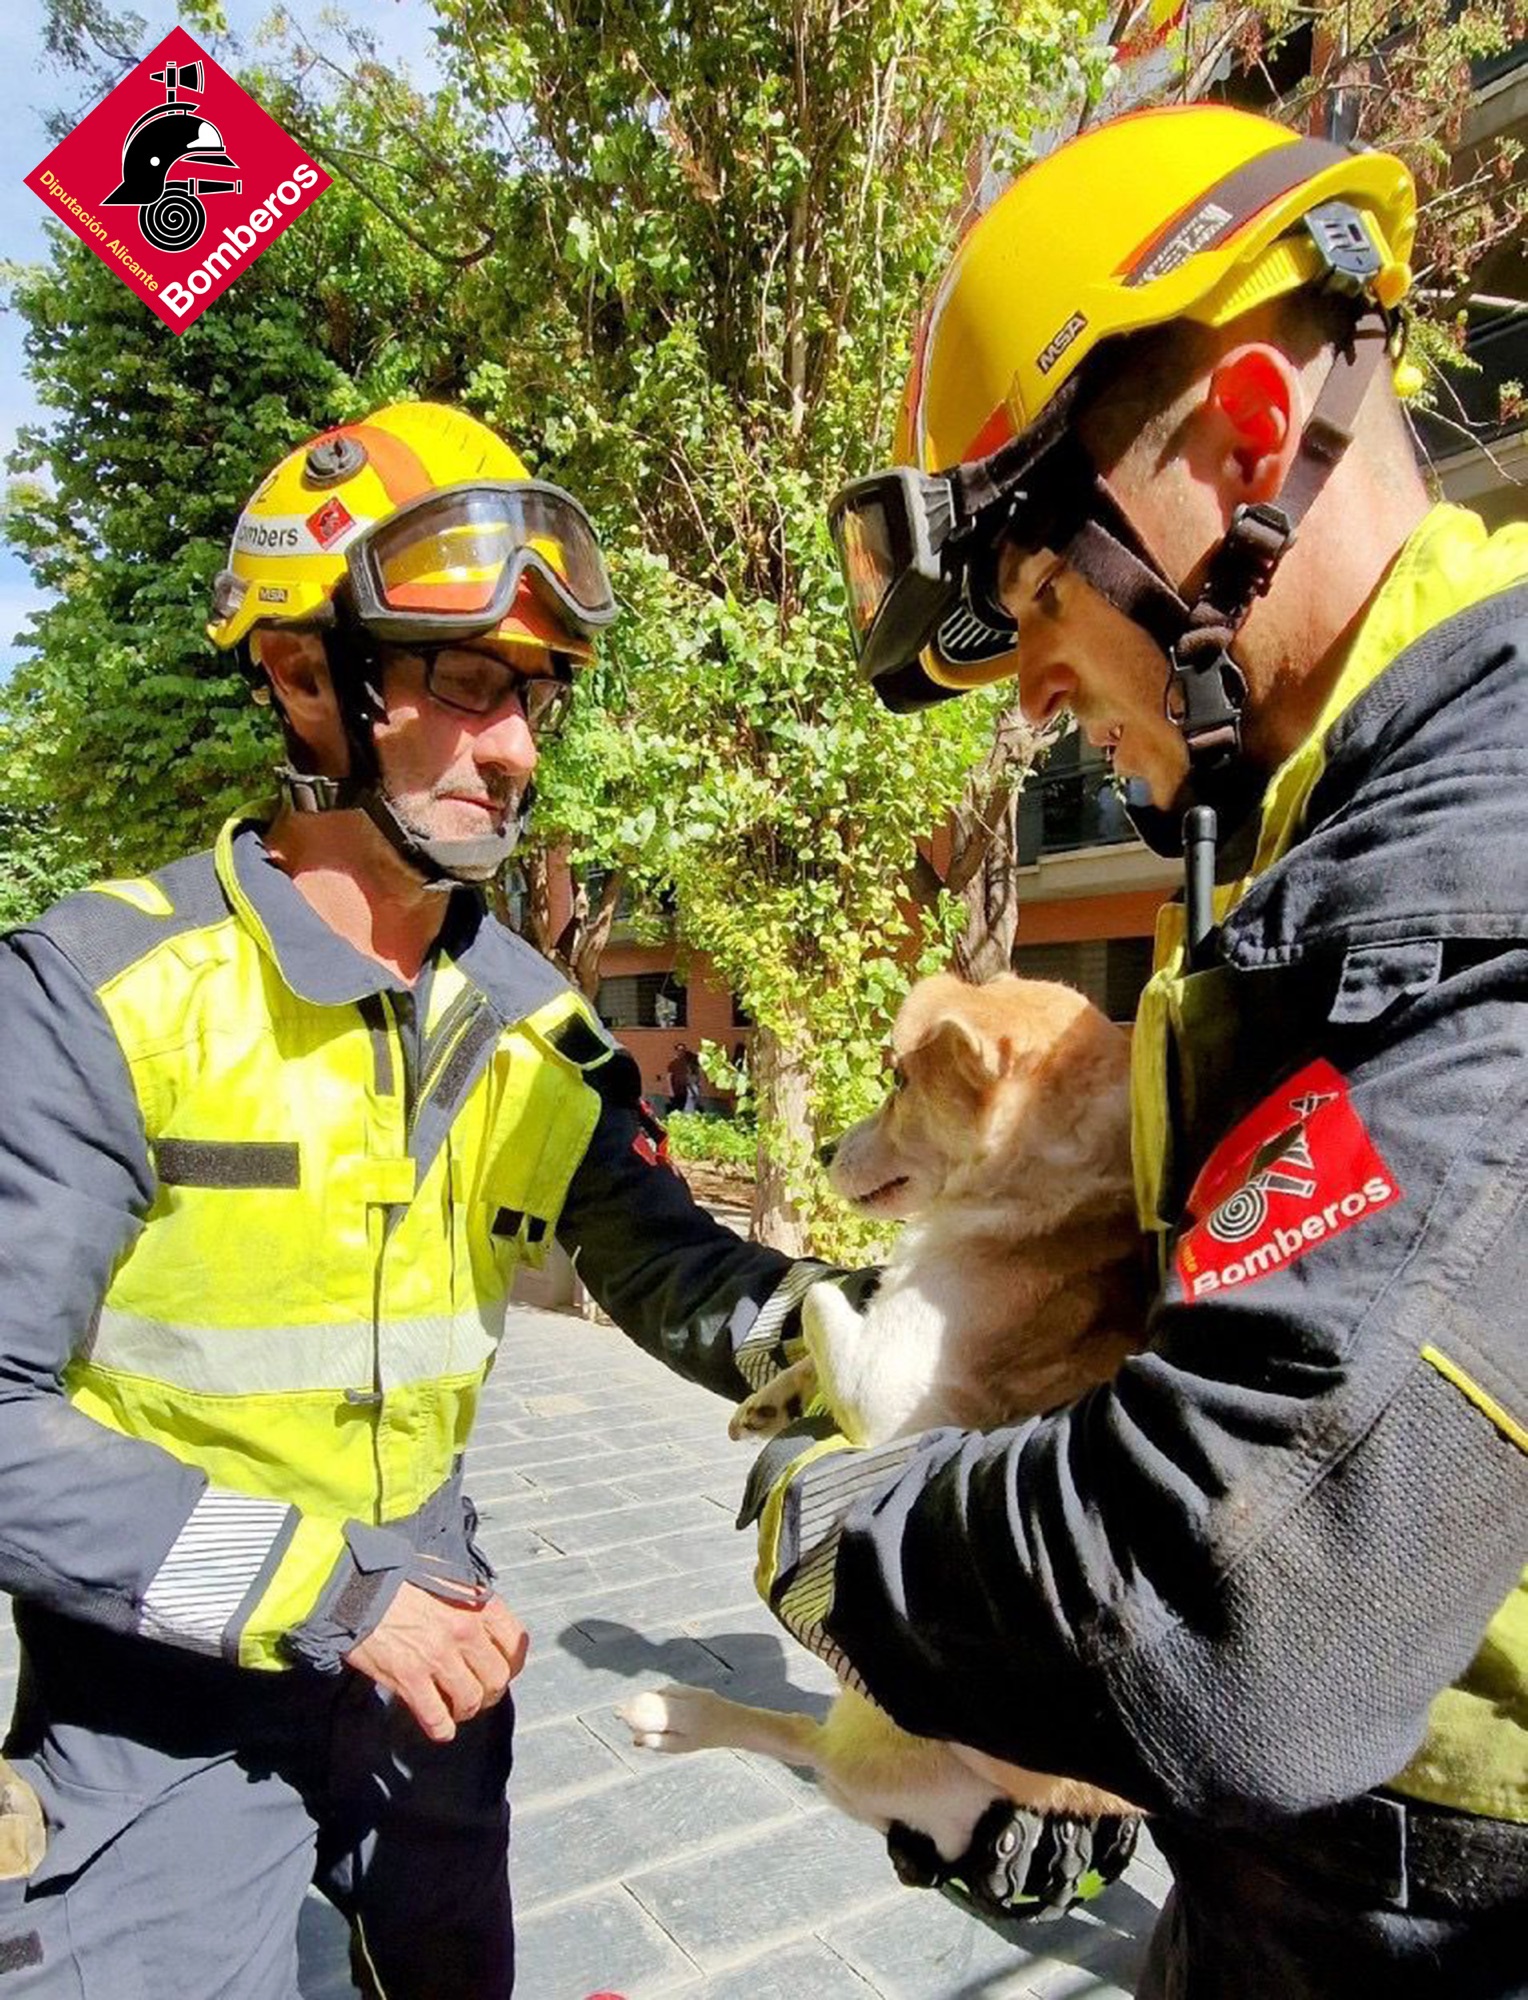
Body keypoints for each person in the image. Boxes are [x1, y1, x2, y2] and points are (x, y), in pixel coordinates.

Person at [754, 104, 1528, 1994]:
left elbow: (1257, 1595)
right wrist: (1084, 1730)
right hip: (1312, 1866)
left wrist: (836, 1531)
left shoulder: (1471, 848)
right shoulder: (1319, 828)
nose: (1028, 678)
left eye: (1035, 596)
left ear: (1251, 441)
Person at [0, 401, 847, 1998]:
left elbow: (675, 1276)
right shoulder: (99, 998)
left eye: (535, 696)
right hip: (154, 1691)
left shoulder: (536, 1028)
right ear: (309, 678)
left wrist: (900, 1351)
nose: (518, 745)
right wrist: (330, 1593)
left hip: (431, 1651)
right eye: (467, 684)